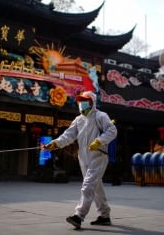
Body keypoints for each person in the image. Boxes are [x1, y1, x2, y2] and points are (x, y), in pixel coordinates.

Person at [43, 91, 117, 229]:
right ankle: (104, 215)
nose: (82, 103)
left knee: (88, 185)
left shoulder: (101, 116)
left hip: (98, 156)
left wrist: (99, 141)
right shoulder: (78, 120)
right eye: (80, 100)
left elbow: (112, 131)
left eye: (85, 100)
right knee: (95, 187)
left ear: (92, 102)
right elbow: (68, 136)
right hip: (83, 158)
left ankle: (78, 216)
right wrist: (55, 143)